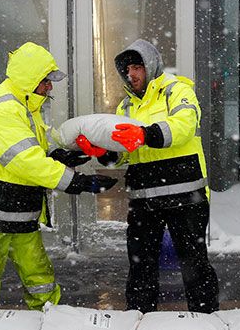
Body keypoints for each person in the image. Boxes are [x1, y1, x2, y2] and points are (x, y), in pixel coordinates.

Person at [0, 41, 117, 311]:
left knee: (40, 279)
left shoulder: (25, 106)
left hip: (17, 212)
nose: (50, 87)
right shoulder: (2, 111)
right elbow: (25, 161)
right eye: (46, 80)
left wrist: (58, 154)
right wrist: (75, 182)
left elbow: (34, 148)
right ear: (30, 78)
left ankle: (47, 324)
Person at [79, 38, 219, 314]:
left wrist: (145, 134)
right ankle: (139, 320)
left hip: (185, 195)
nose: (131, 75)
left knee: (194, 264)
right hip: (144, 199)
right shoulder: (125, 108)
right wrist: (102, 151)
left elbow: (183, 126)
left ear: (150, 65)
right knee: (141, 265)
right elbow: (124, 154)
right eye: (127, 70)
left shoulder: (177, 91)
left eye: (136, 67)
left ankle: (205, 321)